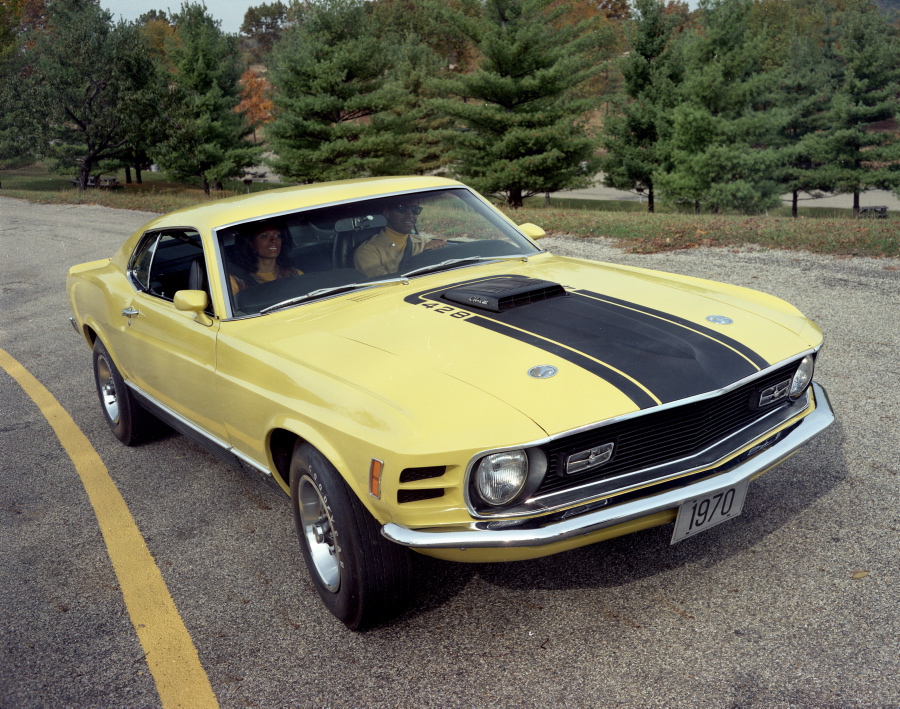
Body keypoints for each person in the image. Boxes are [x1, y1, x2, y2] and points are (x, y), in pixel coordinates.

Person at [353, 198, 446, 277]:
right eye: (402, 209)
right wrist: (423, 257)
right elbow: (388, 287)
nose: (410, 214)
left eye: (415, 209)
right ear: (387, 213)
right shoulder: (367, 252)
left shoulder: (424, 242)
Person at [230, 223, 302, 294]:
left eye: (278, 235)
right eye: (265, 236)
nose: (273, 240)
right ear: (251, 243)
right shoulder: (236, 281)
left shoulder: (295, 274)